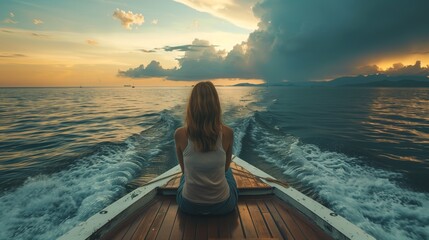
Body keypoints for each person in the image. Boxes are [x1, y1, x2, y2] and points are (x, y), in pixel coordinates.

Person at [175, 81, 238, 215]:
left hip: (189, 205)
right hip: (223, 206)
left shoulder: (180, 134)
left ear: (191, 106)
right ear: (216, 105)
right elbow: (225, 168)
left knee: (184, 177)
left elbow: (184, 171)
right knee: (229, 173)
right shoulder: (228, 133)